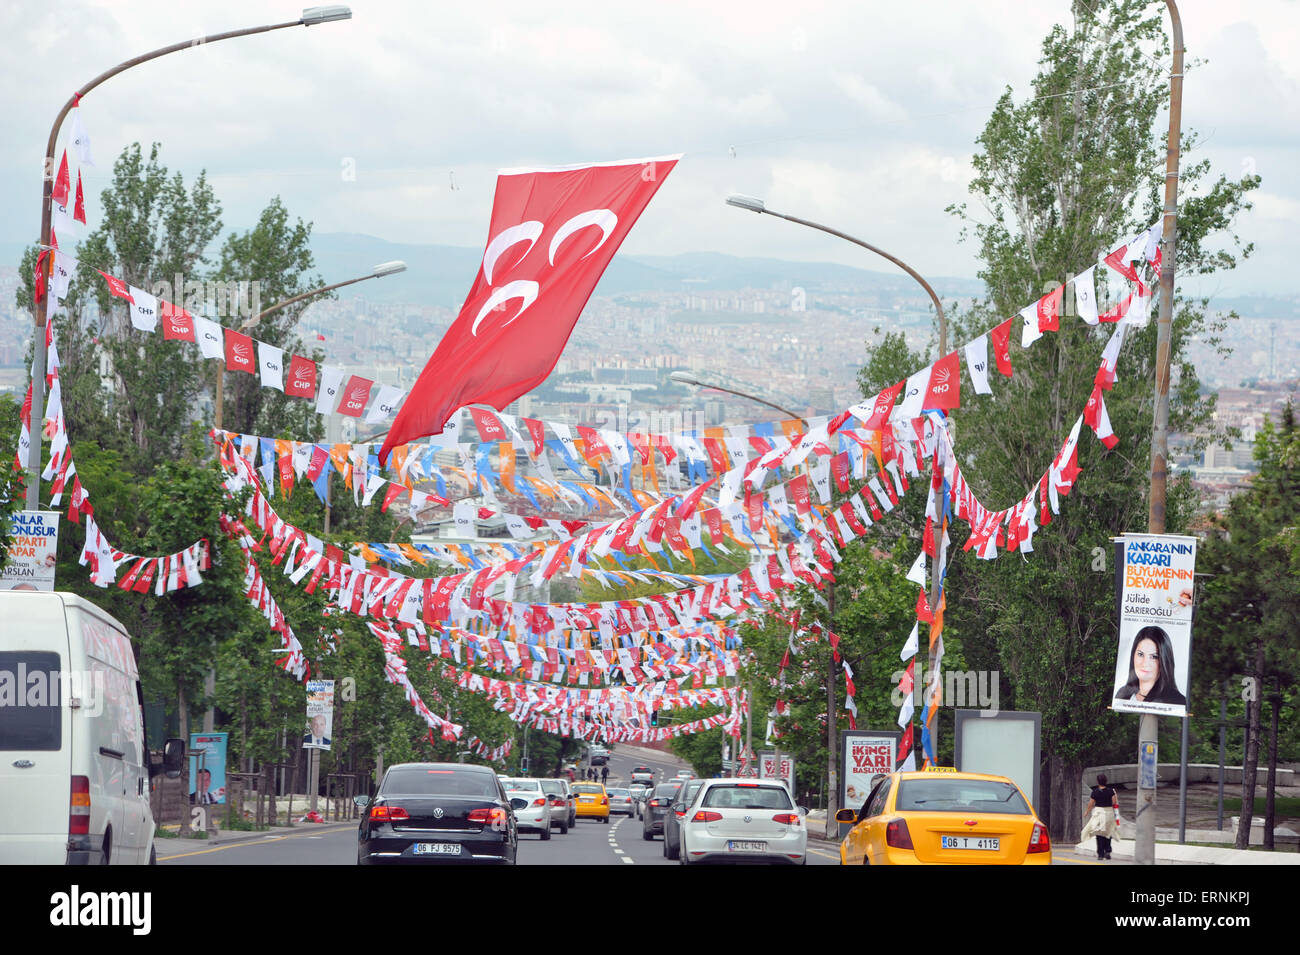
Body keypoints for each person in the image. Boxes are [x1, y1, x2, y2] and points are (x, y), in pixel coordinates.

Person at [1114, 626, 1187, 706]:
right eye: (1140, 654)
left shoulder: (1177, 701)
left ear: (1164, 661)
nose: (1145, 663)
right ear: (1133, 656)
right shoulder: (1123, 693)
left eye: (1154, 657)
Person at [1081, 773, 1120, 860]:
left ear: (1098, 782)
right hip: (1109, 812)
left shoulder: (1095, 792)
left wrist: (1087, 812)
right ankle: (1108, 851)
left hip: (1099, 813)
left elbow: (1091, 804)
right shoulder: (1111, 791)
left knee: (1099, 833)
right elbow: (1114, 802)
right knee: (1108, 832)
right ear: (1106, 781)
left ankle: (1100, 854)